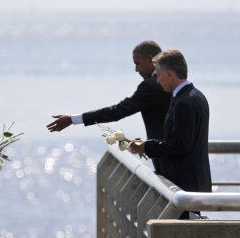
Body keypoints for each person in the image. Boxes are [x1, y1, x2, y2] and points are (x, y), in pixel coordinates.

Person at [46, 41, 171, 173]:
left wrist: (72, 119)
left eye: (137, 63)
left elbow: (117, 112)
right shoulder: (170, 82)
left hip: (169, 160)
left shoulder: (151, 86)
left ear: (152, 60)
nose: (136, 70)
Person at [128, 49, 212, 200]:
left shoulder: (183, 103)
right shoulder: (196, 95)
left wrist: (146, 147)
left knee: (183, 223)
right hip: (195, 181)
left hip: (185, 186)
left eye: (158, 75)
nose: (157, 80)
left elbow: (179, 145)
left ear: (169, 74)